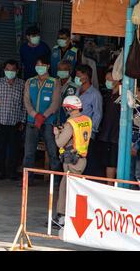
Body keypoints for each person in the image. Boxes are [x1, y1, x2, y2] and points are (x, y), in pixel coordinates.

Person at [52, 95, 92, 228]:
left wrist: (57, 133)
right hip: (82, 159)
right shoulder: (86, 119)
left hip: (72, 161)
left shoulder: (70, 124)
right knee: (75, 189)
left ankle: (63, 218)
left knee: (65, 189)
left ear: (69, 108)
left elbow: (59, 143)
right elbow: (78, 135)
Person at [23, 55, 61, 185]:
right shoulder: (30, 81)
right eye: (38, 65)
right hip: (32, 121)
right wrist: (35, 115)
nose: (39, 68)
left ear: (48, 67)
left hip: (49, 122)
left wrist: (43, 116)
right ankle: (28, 180)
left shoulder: (54, 82)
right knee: (29, 151)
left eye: (42, 65)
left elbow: (55, 103)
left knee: (52, 151)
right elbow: (26, 101)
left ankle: (55, 180)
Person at [0, 60, 26, 180]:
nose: (10, 72)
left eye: (12, 70)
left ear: (17, 71)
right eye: (7, 69)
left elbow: (24, 104)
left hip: (15, 122)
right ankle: (1, 171)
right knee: (0, 147)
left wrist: (22, 120)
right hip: (0, 120)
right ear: (4, 70)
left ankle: (12, 172)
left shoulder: (22, 84)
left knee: (14, 148)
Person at [75, 64, 103, 176]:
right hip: (75, 131)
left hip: (87, 133)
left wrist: (92, 131)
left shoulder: (95, 95)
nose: (76, 78)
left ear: (86, 76)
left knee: (87, 161)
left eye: (78, 75)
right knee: (76, 160)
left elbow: (98, 114)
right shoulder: (77, 90)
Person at [97, 70, 120, 184]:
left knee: (114, 162)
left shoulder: (122, 98)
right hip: (106, 134)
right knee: (108, 162)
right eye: (106, 80)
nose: (107, 82)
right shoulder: (108, 95)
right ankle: (109, 186)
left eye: (110, 80)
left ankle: (113, 186)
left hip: (116, 135)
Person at [57, 61, 79, 125]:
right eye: (60, 69)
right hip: (54, 119)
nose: (62, 71)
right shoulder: (54, 83)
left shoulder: (75, 85)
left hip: (68, 120)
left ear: (70, 71)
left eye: (65, 69)